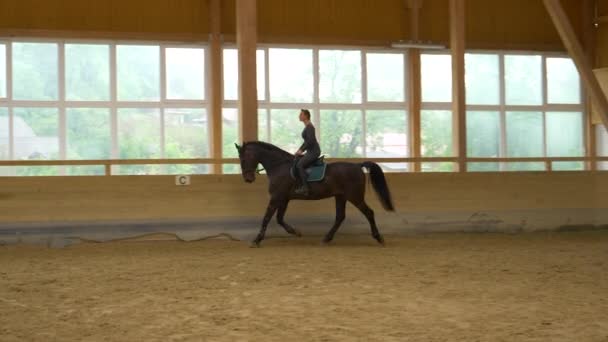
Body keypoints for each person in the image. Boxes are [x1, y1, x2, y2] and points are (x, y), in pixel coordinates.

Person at [294, 109, 321, 195]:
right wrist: (299, 150)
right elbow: (306, 142)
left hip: (314, 151)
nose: (299, 116)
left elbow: (310, 141)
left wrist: (301, 150)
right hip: (310, 151)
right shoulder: (307, 126)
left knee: (300, 165)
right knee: (297, 160)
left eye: (301, 114)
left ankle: (305, 188)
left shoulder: (310, 127)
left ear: (306, 116)